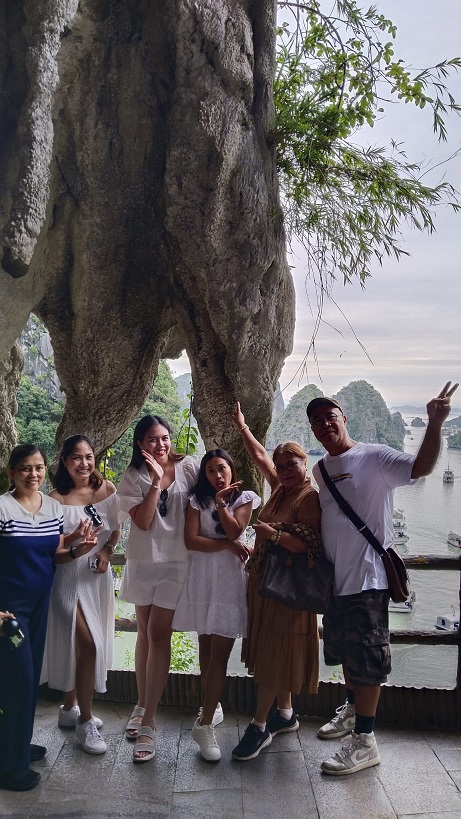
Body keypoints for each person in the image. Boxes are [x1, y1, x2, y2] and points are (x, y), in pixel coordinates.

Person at [307, 380, 459, 776]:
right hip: (335, 582)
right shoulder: (320, 469)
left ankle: (365, 741)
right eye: (316, 421)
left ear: (344, 418)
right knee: (347, 654)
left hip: (368, 579)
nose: (324, 424)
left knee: (368, 660)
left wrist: (435, 422)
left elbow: (421, 468)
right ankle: (352, 711)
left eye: (330, 416)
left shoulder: (374, 456)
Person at [0, 444, 97, 791]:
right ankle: (10, 767)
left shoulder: (52, 507)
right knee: (20, 679)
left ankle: (16, 744)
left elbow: (53, 553)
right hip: (9, 612)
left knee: (29, 681)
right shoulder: (2, 508)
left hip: (39, 605)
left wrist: (76, 548)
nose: (33, 474)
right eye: (25, 468)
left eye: (39, 467)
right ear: (11, 472)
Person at [230, 402, 321, 761]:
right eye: (281, 466)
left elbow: (309, 544)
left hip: (289, 592)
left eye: (291, 465)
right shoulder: (280, 487)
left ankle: (258, 726)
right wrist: (242, 426)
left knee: (272, 655)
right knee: (275, 651)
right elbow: (260, 457)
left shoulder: (308, 498)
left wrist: (273, 535)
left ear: (304, 463)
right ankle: (285, 713)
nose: (284, 470)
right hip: (268, 584)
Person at [117, 415, 199, 763]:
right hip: (142, 561)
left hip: (176, 563)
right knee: (144, 633)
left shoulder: (189, 467)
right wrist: (154, 482)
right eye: (152, 439)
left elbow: (212, 492)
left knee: (158, 633)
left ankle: (149, 720)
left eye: (165, 438)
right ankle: (141, 703)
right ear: (140, 444)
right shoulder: (132, 476)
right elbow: (144, 520)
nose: (161, 445)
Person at [172, 449, 260, 761]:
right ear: (204, 475)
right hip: (202, 579)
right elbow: (191, 540)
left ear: (231, 468)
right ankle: (211, 705)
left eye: (221, 468)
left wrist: (222, 504)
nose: (217, 475)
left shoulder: (244, 498)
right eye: (210, 470)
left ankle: (205, 724)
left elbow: (236, 529)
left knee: (220, 652)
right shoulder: (197, 500)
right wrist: (226, 545)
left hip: (229, 581)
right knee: (206, 646)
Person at [42, 435, 121, 755]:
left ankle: (69, 708)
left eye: (88, 457)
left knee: (84, 645)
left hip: (96, 579)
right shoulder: (54, 499)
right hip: (66, 579)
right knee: (88, 644)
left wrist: (107, 550)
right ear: (64, 461)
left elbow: (115, 529)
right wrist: (77, 545)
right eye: (76, 458)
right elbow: (51, 549)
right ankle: (85, 722)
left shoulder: (107, 490)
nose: (84, 463)